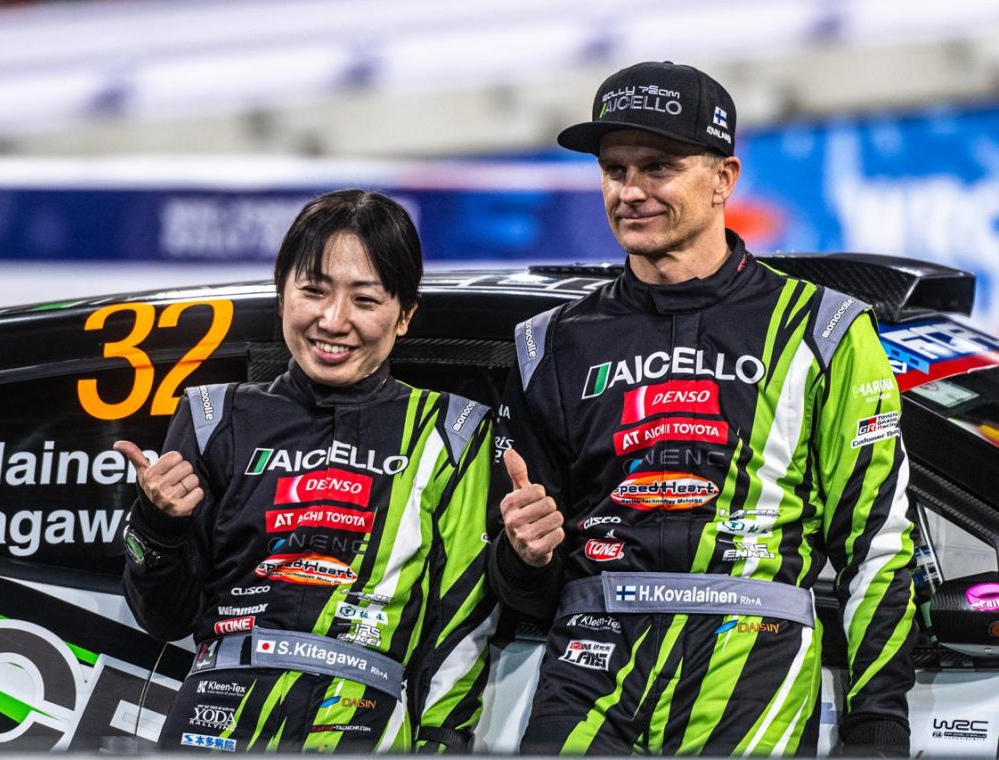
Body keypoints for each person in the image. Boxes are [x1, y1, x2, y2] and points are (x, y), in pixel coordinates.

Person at [490, 61, 916, 756]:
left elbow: (878, 543)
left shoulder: (824, 330)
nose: (630, 192)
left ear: (724, 178)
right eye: (614, 170)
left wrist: (877, 721)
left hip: (751, 676)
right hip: (586, 681)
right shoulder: (550, 343)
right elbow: (520, 587)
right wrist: (525, 557)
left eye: (658, 167)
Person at [116, 189, 498, 753]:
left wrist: (441, 744)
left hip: (362, 727)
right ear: (282, 295)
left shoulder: (453, 431)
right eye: (314, 291)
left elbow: (461, 626)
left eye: (364, 300)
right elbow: (163, 617)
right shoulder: (212, 416)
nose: (333, 320)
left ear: (405, 315)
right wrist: (156, 525)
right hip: (213, 720)